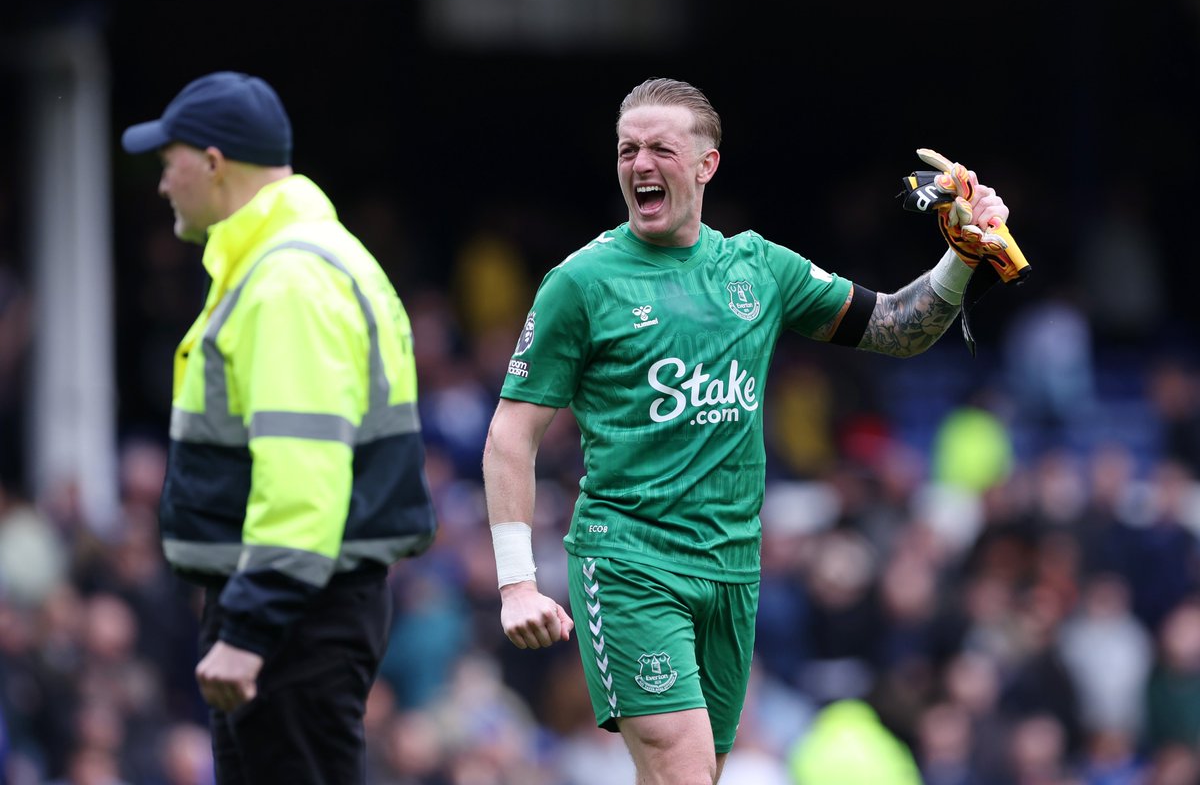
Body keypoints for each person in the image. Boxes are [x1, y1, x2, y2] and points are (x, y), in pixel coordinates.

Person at [482, 77, 1022, 784]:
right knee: (681, 766)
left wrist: (963, 259)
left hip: (732, 569)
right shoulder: (581, 282)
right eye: (627, 150)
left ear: (706, 165)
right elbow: (509, 435)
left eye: (660, 150)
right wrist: (517, 583)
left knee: (698, 773)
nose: (640, 164)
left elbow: (893, 327)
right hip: (630, 562)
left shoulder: (759, 268)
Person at [121, 71, 437, 784]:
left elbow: (304, 476)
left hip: (296, 615)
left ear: (212, 162)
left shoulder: (287, 278)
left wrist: (251, 629)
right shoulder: (298, 260)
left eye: (167, 165)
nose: (162, 186)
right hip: (303, 605)